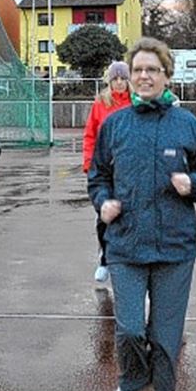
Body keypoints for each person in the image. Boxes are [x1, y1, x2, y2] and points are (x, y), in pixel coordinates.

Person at [88, 37, 196, 391]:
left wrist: (192, 185)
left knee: (165, 338)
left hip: (174, 248)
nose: (143, 77)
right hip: (126, 245)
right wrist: (103, 202)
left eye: (152, 70)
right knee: (128, 330)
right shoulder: (115, 124)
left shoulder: (188, 125)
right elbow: (98, 176)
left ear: (166, 75)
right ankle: (131, 381)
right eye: (137, 70)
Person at [82, 61, 132, 286]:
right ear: (109, 81)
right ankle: (104, 259)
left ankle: (127, 259)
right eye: (115, 79)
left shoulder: (136, 102)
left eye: (123, 79)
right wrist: (89, 163)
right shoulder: (101, 103)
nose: (119, 83)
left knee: (130, 213)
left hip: (130, 169)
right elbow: (90, 135)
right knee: (104, 215)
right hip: (104, 169)